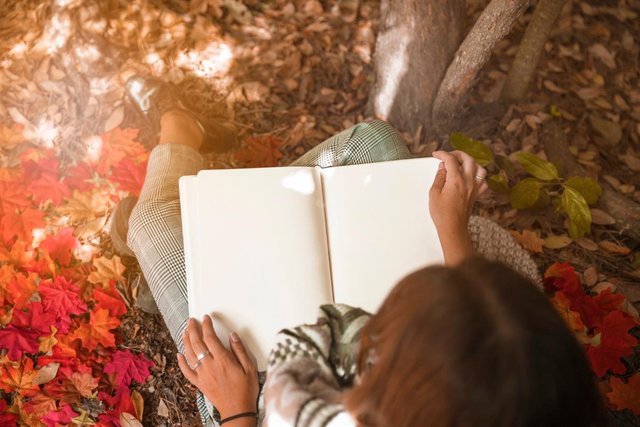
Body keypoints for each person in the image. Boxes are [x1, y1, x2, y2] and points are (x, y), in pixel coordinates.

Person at [114, 76, 606, 427]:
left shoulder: (303, 409)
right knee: (374, 141)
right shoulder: (535, 395)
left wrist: (237, 409)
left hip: (254, 382)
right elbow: (489, 344)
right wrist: (452, 233)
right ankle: (181, 216)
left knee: (156, 220)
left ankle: (178, 131)